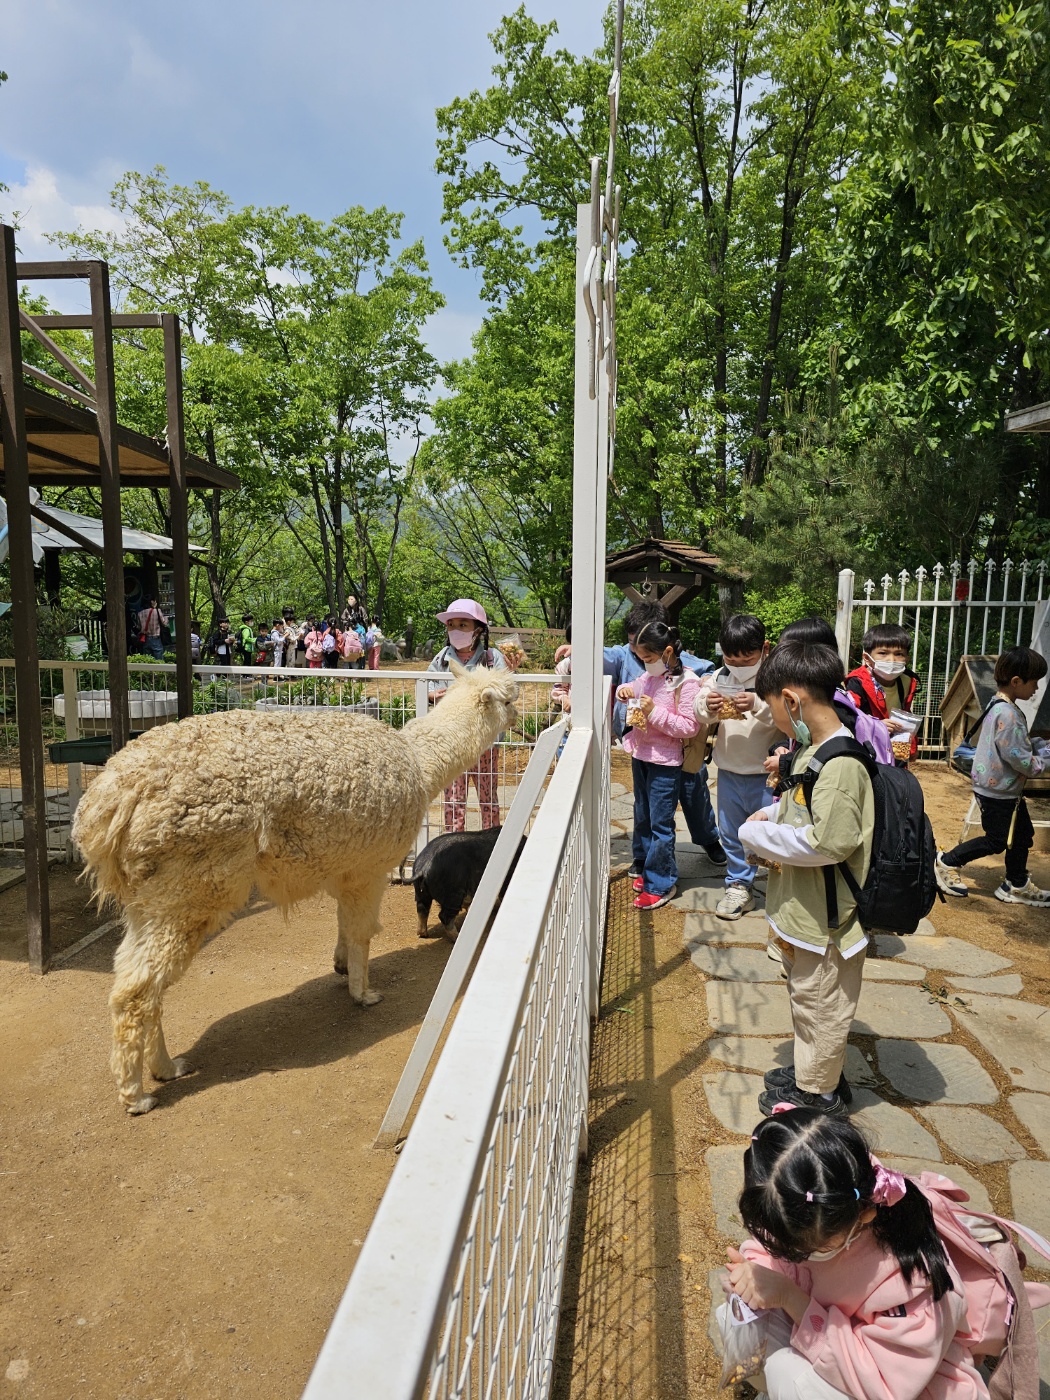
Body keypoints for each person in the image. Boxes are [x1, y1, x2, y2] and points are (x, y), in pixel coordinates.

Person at [727, 1107, 988, 1398]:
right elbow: (769, 1246)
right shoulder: (816, 1194)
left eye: (803, 1250)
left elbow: (883, 1384)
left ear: (864, 1215)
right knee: (738, 1313)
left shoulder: (911, 1279)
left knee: (787, 1375)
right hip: (831, 1331)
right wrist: (753, 1274)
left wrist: (791, 1297)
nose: (787, 1254)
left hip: (903, 1383)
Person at [739, 642, 875, 1117]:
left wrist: (754, 835)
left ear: (792, 701)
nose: (772, 715)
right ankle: (813, 1074)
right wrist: (772, 813)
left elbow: (829, 843)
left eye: (772, 705)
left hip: (828, 922)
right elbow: (800, 806)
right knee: (806, 998)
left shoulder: (839, 766)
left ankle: (817, 1095)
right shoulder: (814, 751)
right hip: (806, 911)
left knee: (820, 1006)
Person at [604, 601, 727, 865]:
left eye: (645, 655)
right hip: (645, 748)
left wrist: (705, 685)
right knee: (646, 810)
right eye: (634, 648)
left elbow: (703, 680)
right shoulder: (629, 656)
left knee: (693, 794)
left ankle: (708, 839)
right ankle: (644, 859)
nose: (639, 658)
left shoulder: (684, 671)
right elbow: (618, 670)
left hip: (677, 750)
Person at [935, 646, 1050, 906]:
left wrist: (1038, 745)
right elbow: (1020, 759)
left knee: (1022, 835)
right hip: (999, 792)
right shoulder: (1008, 713)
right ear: (1016, 681)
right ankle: (946, 861)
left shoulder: (998, 704)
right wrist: (1044, 760)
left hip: (1001, 789)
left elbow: (1012, 745)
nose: (1036, 688)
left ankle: (1016, 883)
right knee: (997, 840)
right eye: (1034, 682)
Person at [696, 614, 784, 920]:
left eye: (748, 658)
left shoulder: (775, 678)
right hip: (730, 770)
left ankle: (781, 888)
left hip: (768, 775)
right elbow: (700, 709)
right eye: (731, 658)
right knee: (732, 832)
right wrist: (707, 707)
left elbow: (787, 720)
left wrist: (758, 705)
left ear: (765, 649)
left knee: (771, 832)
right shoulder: (718, 676)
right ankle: (738, 885)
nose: (739, 665)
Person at [615, 619, 702, 910]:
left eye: (648, 658)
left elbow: (689, 727)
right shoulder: (650, 676)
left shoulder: (688, 682)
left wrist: (654, 714)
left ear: (666, 652)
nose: (645, 664)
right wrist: (624, 691)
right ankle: (645, 865)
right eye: (640, 659)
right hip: (640, 754)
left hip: (665, 761)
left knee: (660, 824)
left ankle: (661, 882)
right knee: (642, 816)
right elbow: (632, 685)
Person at [765, 618, 894, 772]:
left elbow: (832, 752)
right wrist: (782, 746)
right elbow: (807, 741)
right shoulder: (829, 693)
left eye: (787, 650)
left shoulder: (832, 704)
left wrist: (785, 762)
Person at [427, 598, 508, 831]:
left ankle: (490, 843)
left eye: (463, 625)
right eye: (452, 625)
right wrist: (433, 696)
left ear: (478, 630)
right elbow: (426, 687)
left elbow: (507, 691)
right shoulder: (441, 659)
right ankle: (452, 841)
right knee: (453, 797)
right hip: (453, 742)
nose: (456, 630)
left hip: (485, 742)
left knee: (487, 796)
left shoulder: (492, 659)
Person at [845, 623, 920, 761]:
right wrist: (877, 726)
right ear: (867, 658)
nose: (891, 660)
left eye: (899, 654)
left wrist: (912, 745)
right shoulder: (857, 682)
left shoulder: (907, 681)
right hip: (866, 749)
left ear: (907, 659)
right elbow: (848, 715)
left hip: (896, 749)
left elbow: (906, 712)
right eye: (883, 653)